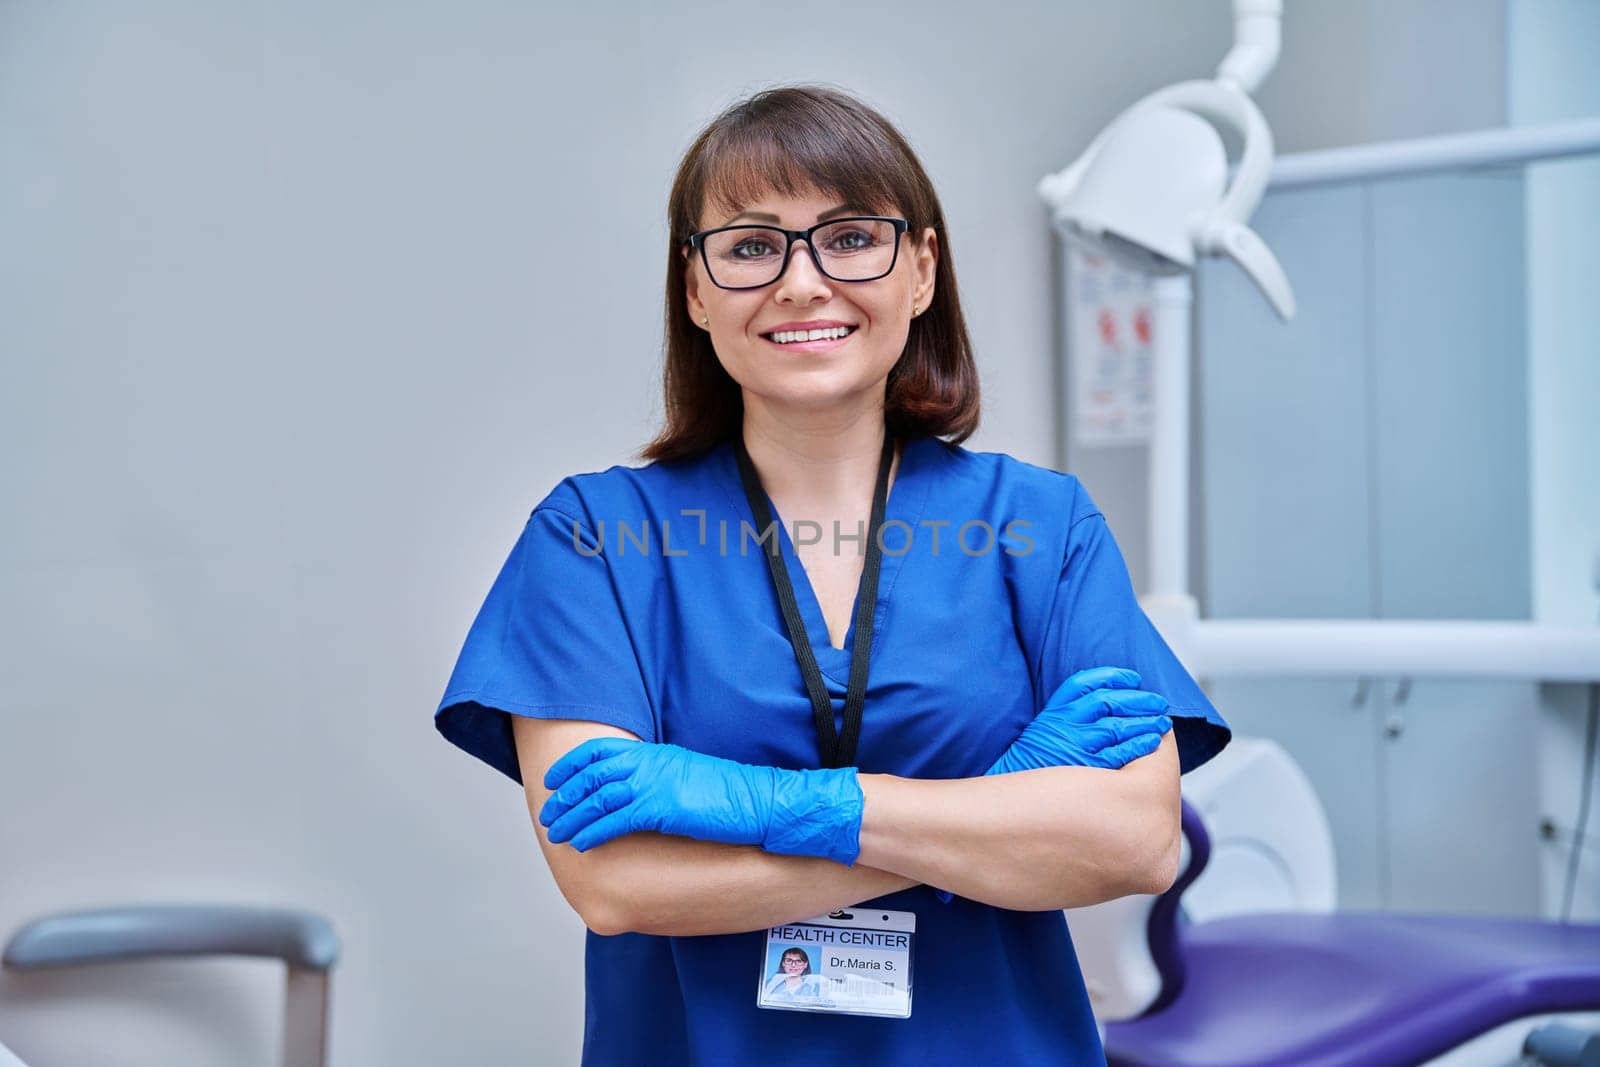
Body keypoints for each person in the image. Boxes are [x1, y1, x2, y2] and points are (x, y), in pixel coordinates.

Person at [434, 83, 1230, 1064]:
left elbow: (1134, 840)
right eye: (751, 245)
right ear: (694, 288)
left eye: (850, 237)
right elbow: (618, 879)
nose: (802, 282)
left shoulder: (1038, 526)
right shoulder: (594, 535)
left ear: (921, 270)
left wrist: (772, 804)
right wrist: (989, 809)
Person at [764, 947, 828, 1003]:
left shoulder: (816, 988)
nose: (793, 965)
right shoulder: (768, 985)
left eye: (799, 961)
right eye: (789, 960)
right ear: (783, 963)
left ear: (805, 965)